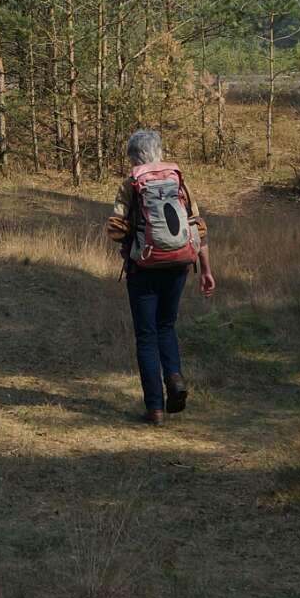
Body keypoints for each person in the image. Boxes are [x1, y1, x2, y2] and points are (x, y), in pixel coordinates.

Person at [107, 129, 215, 425]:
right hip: (179, 264)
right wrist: (206, 270)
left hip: (143, 268)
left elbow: (115, 228)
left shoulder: (131, 184)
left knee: (146, 335)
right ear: (159, 152)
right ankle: (175, 378)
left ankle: (155, 408)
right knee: (166, 325)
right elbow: (197, 226)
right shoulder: (178, 180)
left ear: (134, 157)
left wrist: (130, 240)